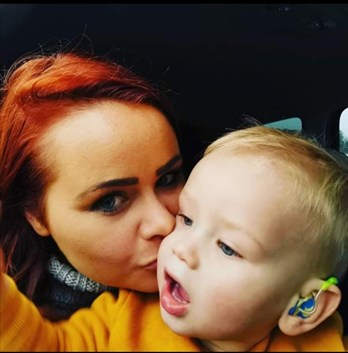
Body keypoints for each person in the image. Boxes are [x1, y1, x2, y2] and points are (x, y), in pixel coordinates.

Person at [1, 125, 347, 351]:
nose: (181, 247)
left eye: (228, 248)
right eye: (187, 218)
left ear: (307, 305)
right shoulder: (127, 315)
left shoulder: (321, 344)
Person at [0, 50, 188, 320]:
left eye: (168, 179)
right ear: (35, 214)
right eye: (109, 201)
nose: (165, 223)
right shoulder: (28, 331)